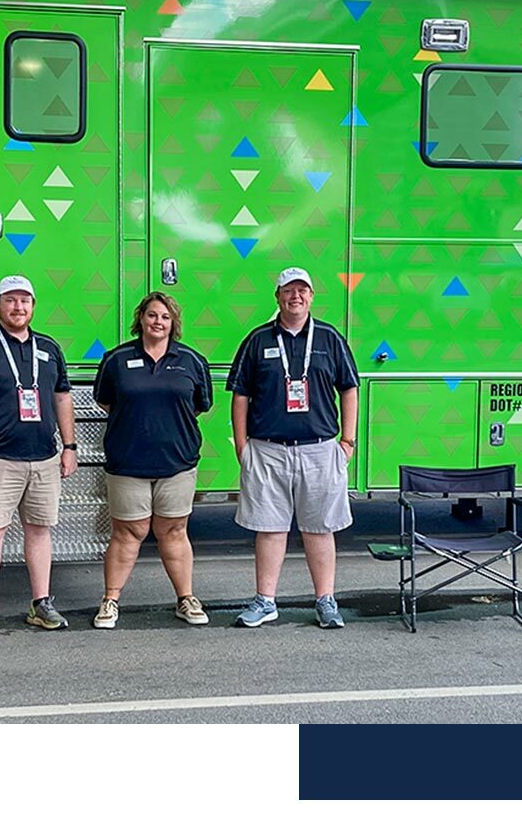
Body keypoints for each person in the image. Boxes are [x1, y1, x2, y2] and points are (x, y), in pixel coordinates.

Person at [225, 267, 359, 629]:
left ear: (312, 296)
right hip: (268, 450)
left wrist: (347, 440)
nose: (295, 296)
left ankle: (325, 601)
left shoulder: (330, 338)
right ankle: (265, 601)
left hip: (319, 449)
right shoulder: (257, 340)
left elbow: (349, 387)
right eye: (288, 290)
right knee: (269, 529)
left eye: (302, 290)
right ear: (278, 297)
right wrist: (242, 446)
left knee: (320, 528)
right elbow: (240, 394)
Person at [0, 274, 78, 637]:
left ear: (33, 306)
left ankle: (41, 604)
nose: (18, 307)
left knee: (39, 531)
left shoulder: (49, 348)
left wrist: (69, 447)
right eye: (10, 300)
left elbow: (62, 398)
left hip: (44, 459)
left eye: (25, 300)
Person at [91, 292, 213, 629]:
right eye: (152, 315)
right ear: (140, 319)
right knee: (128, 532)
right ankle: (110, 601)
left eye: (165, 317)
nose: (158, 322)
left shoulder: (192, 361)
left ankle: (186, 599)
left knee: (174, 531)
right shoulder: (116, 360)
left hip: (178, 461)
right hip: (128, 461)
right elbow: (106, 402)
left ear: (173, 323)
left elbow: (200, 405)